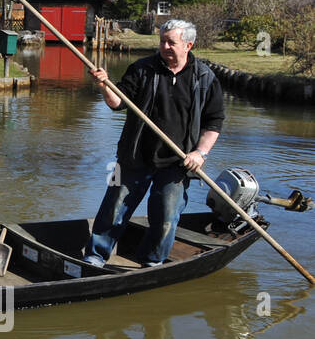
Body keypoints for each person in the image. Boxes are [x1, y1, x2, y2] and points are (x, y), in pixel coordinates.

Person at [84, 19, 225, 267]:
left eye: (172, 42)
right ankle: (95, 256)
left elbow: (214, 122)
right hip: (134, 157)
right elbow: (117, 103)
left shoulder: (205, 78)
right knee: (114, 210)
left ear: (188, 45)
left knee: (166, 218)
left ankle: (151, 262)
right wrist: (104, 85)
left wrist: (200, 153)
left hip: (177, 164)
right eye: (162, 41)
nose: (165, 46)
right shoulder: (142, 69)